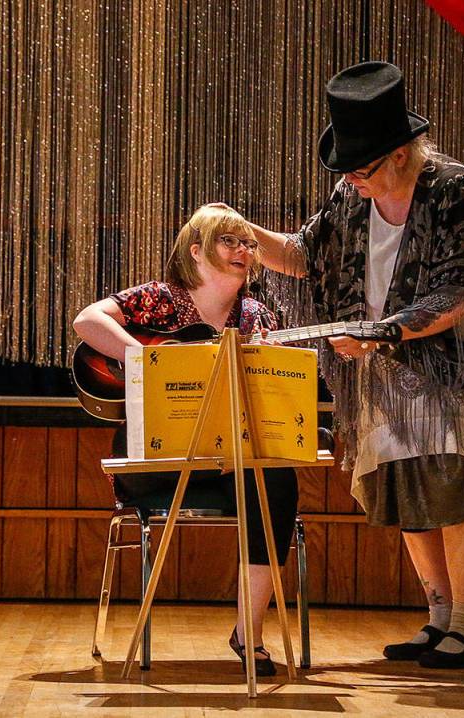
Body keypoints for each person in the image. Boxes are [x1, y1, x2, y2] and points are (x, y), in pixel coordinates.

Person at [235, 61, 464, 669]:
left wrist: (379, 334)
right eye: (348, 172)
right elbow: (308, 256)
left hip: (461, 364)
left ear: (401, 155)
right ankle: (439, 619)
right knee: (407, 484)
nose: (354, 181)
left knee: (460, 483)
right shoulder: (350, 196)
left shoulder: (455, 189)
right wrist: (243, 232)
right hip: (387, 369)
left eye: (363, 169)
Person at [73, 204, 298, 676]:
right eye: (229, 241)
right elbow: (87, 321)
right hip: (157, 459)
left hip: (226, 461)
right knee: (255, 472)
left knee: (276, 479)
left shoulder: (256, 317)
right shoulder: (158, 299)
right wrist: (147, 360)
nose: (245, 250)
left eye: (250, 243)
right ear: (196, 251)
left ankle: (249, 632)